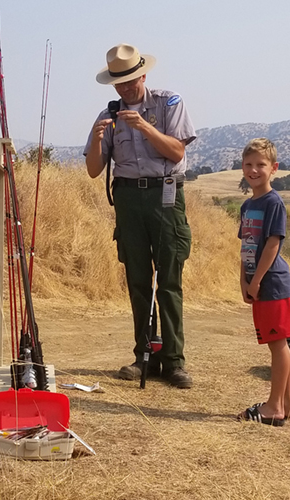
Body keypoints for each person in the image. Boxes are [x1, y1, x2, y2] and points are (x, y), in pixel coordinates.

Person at [84, 43, 196, 388]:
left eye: (131, 79)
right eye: (119, 82)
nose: (126, 87)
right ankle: (142, 354)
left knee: (169, 280)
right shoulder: (108, 114)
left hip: (165, 195)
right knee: (137, 279)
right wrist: (97, 137)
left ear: (143, 74)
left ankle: (174, 360)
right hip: (129, 197)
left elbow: (176, 150)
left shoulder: (168, 102)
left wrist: (145, 127)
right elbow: (93, 170)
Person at [236, 138, 290, 426]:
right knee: (277, 343)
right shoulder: (248, 205)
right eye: (248, 164)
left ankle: (274, 407)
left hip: (272, 282)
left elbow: (273, 245)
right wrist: (243, 280)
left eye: (260, 164)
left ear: (274, 168)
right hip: (256, 282)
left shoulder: (274, 202)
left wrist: (257, 280)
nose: (254, 170)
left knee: (278, 344)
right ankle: (284, 404)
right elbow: (247, 245)